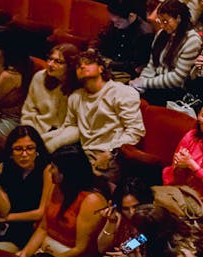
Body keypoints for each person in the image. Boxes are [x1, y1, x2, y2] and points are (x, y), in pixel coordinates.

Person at [58, 49, 145, 182]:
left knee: (92, 182)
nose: (82, 66)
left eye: (88, 63)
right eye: (78, 66)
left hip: (111, 155)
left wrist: (110, 152)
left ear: (101, 69)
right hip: (83, 155)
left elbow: (135, 131)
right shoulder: (75, 97)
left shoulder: (121, 92)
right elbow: (70, 127)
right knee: (51, 170)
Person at [132, 0, 203, 106]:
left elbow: (177, 79)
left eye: (166, 21)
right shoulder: (162, 33)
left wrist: (145, 83)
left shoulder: (192, 40)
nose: (162, 26)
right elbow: (152, 65)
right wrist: (140, 84)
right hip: (156, 83)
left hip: (174, 90)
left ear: (178, 18)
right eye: (160, 21)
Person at [0, 126, 51, 252]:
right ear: (11, 152)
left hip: (26, 229)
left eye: (30, 148)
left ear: (37, 150)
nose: (24, 154)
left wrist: (5, 218)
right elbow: (3, 208)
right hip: (2, 226)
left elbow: (40, 212)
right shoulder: (4, 168)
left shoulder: (47, 170)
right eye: (18, 149)